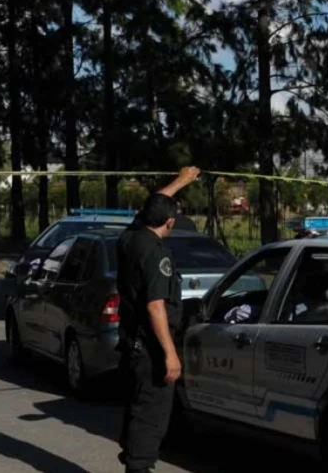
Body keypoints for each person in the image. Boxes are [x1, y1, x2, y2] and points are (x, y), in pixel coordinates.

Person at [117, 166, 202, 473]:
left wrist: (181, 181)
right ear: (170, 222)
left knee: (137, 407)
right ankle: (138, 467)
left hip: (131, 341)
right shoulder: (155, 253)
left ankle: (133, 460)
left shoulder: (129, 238)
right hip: (150, 348)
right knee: (151, 415)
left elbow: (152, 206)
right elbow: (156, 307)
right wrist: (169, 354)